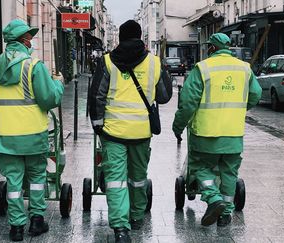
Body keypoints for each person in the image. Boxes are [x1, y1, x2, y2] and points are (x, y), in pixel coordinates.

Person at [0, 19, 64, 241]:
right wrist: (59, 84)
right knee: (37, 178)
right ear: (24, 41)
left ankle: (16, 227)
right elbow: (49, 99)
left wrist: (1, 114)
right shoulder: (34, 66)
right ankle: (37, 220)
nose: (32, 41)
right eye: (30, 38)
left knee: (14, 182)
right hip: (34, 136)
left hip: (8, 138)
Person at [88, 20, 172, 243]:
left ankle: (121, 229)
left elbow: (96, 95)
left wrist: (98, 124)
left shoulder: (107, 61)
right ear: (140, 36)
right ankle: (136, 217)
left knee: (115, 180)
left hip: (113, 133)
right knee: (137, 178)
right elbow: (164, 96)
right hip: (141, 133)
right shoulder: (154, 63)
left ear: (121, 38)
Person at [172, 33, 262, 227]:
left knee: (200, 168)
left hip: (206, 134)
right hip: (233, 134)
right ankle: (225, 214)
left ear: (211, 48)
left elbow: (188, 103)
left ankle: (213, 199)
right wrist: (238, 109)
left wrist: (177, 126)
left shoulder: (202, 68)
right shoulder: (245, 69)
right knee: (229, 173)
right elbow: (255, 94)